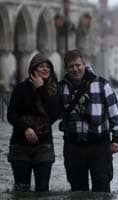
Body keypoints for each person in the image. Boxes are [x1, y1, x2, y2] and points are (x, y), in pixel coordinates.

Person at [58, 49, 118, 192]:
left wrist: (117, 139)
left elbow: (116, 115)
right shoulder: (61, 87)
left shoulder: (102, 84)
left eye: (78, 65)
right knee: (77, 191)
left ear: (84, 64)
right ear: (66, 68)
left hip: (99, 146)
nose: (75, 69)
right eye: (71, 66)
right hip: (73, 146)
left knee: (102, 188)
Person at [7, 53, 59, 192]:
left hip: (44, 145)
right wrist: (26, 128)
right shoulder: (20, 88)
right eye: (41, 66)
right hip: (19, 145)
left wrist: (41, 88)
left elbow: (55, 114)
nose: (45, 69)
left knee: (42, 190)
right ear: (33, 70)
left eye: (48, 67)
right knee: (21, 190)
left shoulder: (54, 89)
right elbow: (11, 115)